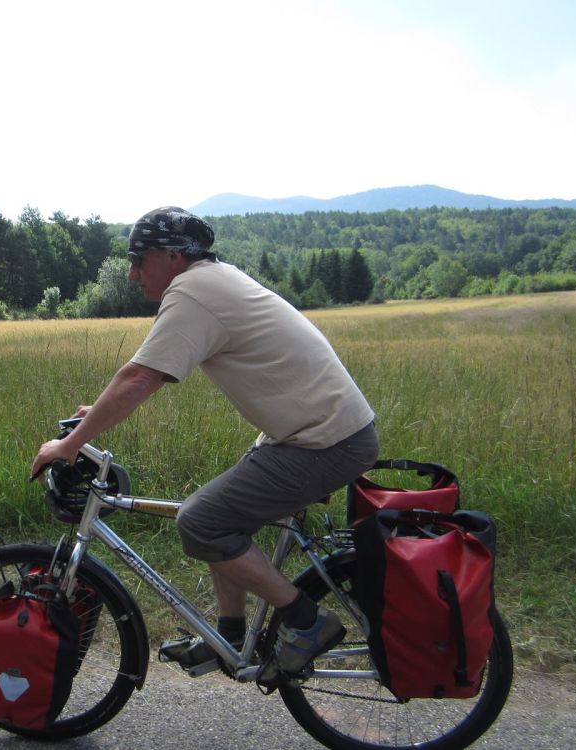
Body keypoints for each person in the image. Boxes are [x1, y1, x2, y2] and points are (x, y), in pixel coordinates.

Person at [31, 206, 378, 679]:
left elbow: (140, 376)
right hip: (319, 434)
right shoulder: (213, 280)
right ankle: (228, 637)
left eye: (139, 259)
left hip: (324, 441)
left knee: (201, 522)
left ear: (173, 256)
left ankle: (306, 621)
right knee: (220, 516)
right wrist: (98, 414)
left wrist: (70, 444)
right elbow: (150, 372)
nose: (132, 273)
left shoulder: (193, 289)